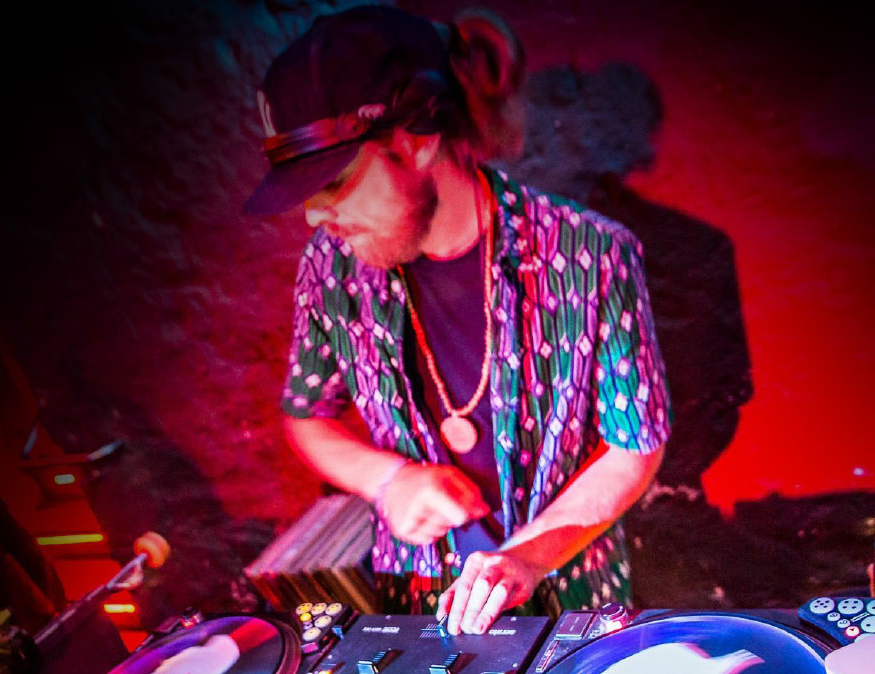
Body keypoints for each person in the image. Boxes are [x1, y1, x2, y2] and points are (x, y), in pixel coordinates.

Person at [244, 5, 671, 634]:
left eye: (332, 183)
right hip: (418, 601)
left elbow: (635, 446)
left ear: (416, 141)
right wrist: (388, 480)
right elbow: (306, 416)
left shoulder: (593, 253)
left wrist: (525, 558)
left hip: (570, 591)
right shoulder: (331, 266)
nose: (313, 215)